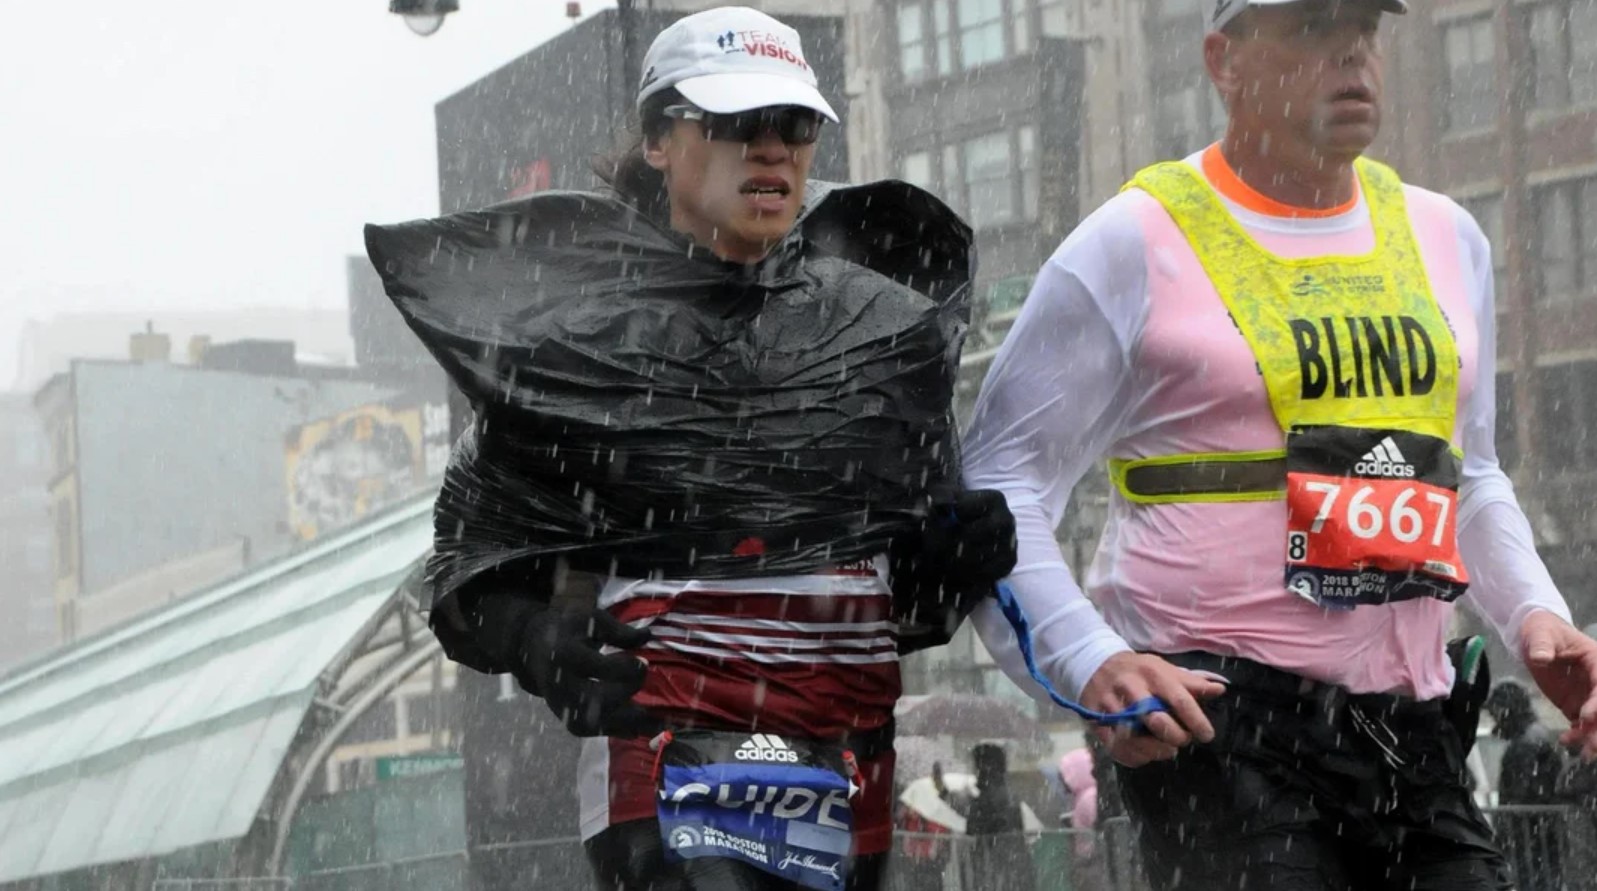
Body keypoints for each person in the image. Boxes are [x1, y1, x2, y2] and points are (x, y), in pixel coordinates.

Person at [364, 7, 1015, 891]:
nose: (772, 150)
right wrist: (540, 638)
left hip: (848, 750)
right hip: (664, 754)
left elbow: (905, 581)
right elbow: (467, 565)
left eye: (793, 125)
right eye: (737, 123)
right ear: (661, 140)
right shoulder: (573, 336)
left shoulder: (880, 329)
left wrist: (956, 556)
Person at [961, 0, 1597, 887]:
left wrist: (1535, 614)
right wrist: (1090, 659)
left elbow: (1472, 472)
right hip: (1221, 726)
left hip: (1412, 728)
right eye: (1309, 27)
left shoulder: (1447, 236)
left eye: (1366, 28)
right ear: (1223, 61)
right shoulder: (1131, 240)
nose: (1350, 53)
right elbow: (998, 479)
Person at [1486, 680, 1567, 891]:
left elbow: (1518, 797)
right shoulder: (1536, 735)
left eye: (1495, 712)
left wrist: (1503, 833)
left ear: (1505, 711)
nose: (1494, 719)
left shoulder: (1525, 744)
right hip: (1540, 837)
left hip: (1530, 840)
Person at [963, 744, 1036, 891]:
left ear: (983, 766)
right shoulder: (1008, 794)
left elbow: (973, 828)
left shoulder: (987, 797)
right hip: (1013, 868)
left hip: (995, 869)